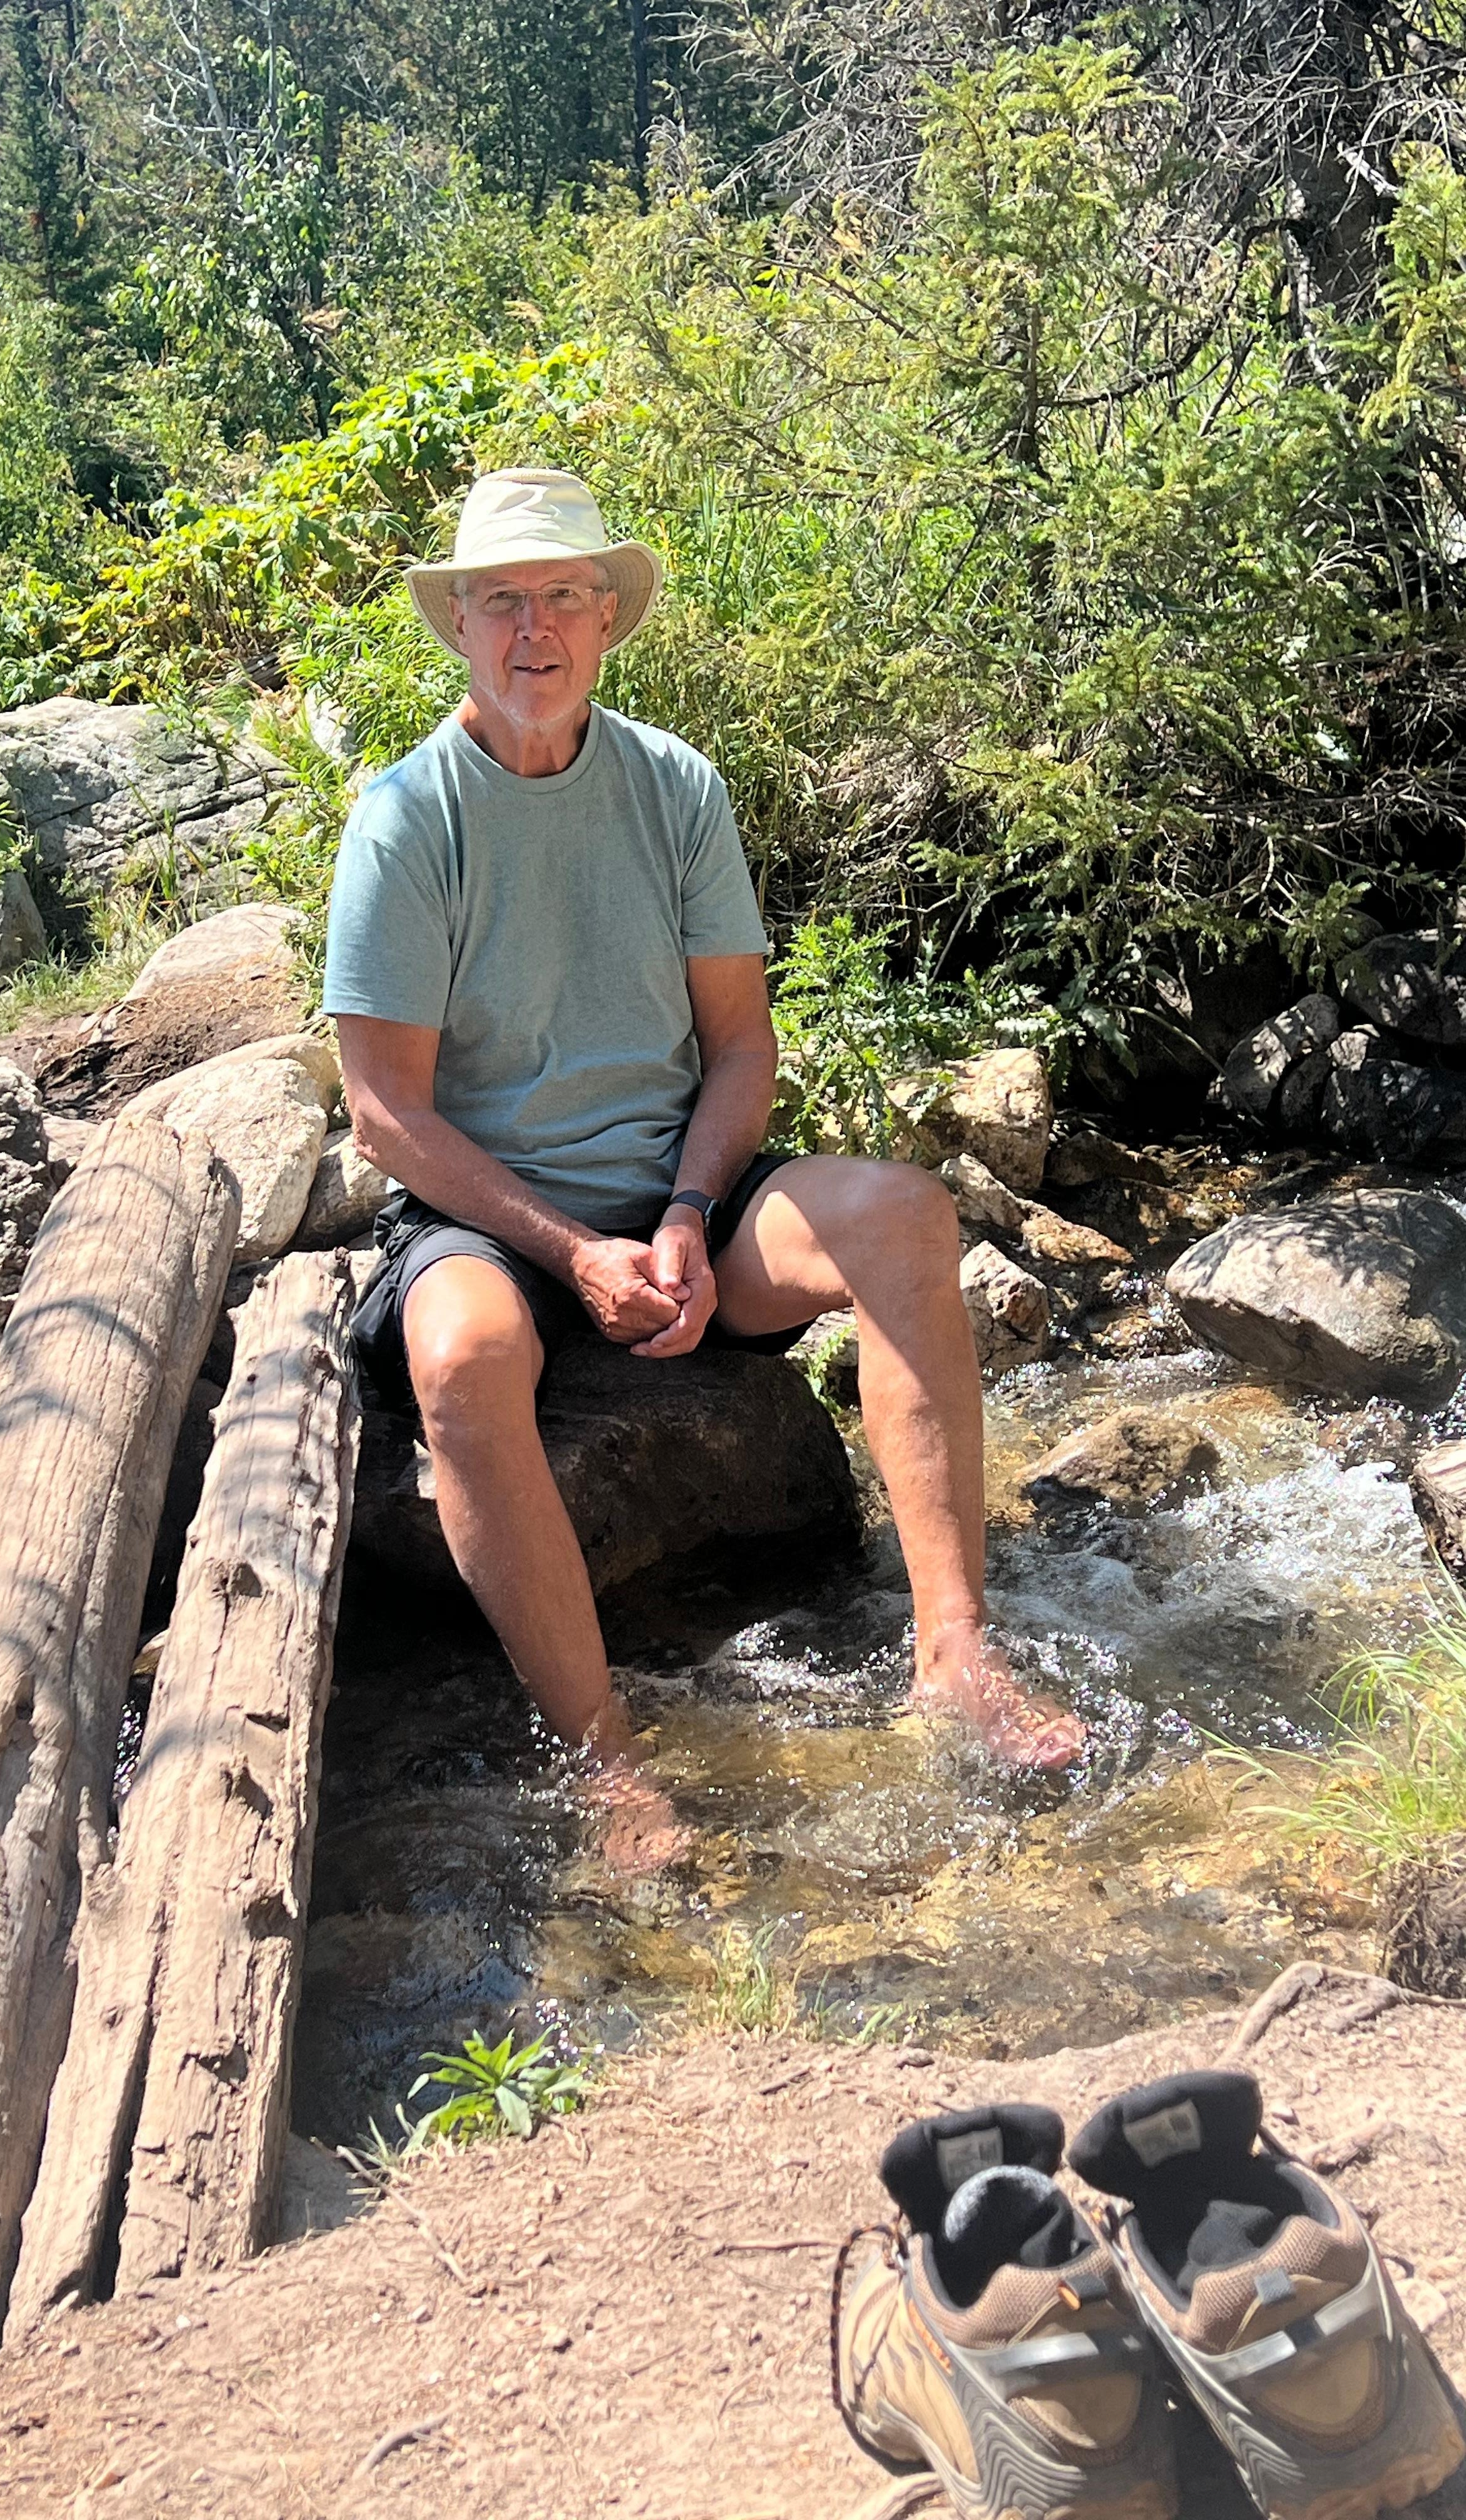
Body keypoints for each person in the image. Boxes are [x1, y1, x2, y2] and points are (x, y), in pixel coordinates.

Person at [322, 467, 1083, 1867]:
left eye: (562, 597)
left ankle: (955, 1653)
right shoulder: (407, 820)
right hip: (492, 1222)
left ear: (606, 618)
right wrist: (574, 1252)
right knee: (462, 1361)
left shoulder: (674, 787)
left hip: (691, 1205)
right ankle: (607, 1762)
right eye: (503, 602)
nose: (533, 629)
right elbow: (385, 1116)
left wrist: (680, 1211)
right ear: (458, 629)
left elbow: (741, 1046)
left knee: (905, 1217)